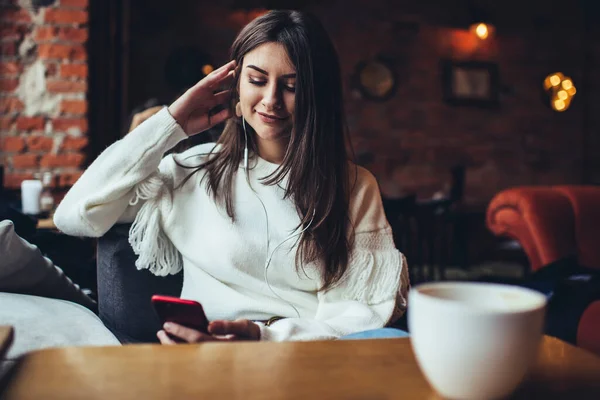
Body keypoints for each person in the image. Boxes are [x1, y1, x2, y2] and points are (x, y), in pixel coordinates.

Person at [54, 10, 410, 343]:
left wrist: (264, 337)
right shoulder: (191, 172)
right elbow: (75, 216)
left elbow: (359, 314)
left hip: (305, 356)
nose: (271, 100)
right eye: (257, 80)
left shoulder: (353, 186)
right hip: (209, 353)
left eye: (292, 86)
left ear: (317, 96)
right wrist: (170, 124)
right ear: (236, 83)